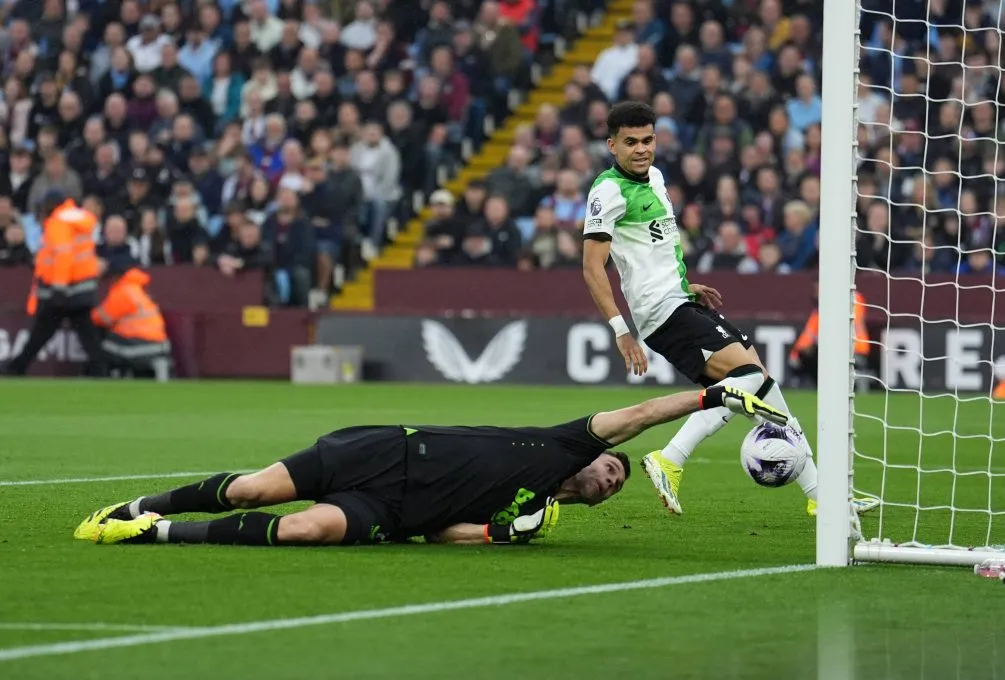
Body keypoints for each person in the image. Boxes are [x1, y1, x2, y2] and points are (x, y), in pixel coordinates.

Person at [581, 101, 878, 518]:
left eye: (647, 140)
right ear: (612, 145)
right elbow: (592, 267)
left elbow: (652, 252)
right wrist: (620, 329)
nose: (641, 149)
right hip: (660, 313)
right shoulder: (608, 192)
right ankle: (670, 458)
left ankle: (821, 496)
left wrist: (685, 285)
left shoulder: (657, 178)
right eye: (631, 142)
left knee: (763, 387)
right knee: (748, 379)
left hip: (679, 299)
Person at [74, 385, 789, 547]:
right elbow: (642, 414)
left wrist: (496, 535)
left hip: (392, 511)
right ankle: (148, 504)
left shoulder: (533, 516)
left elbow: (448, 533)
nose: (610, 478)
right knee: (255, 488)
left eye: (614, 487)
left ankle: (155, 535)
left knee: (303, 531)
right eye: (613, 469)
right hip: (388, 448)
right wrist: (711, 396)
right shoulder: (567, 442)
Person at [2, 191, 106, 376]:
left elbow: (63, 256)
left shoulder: (58, 223)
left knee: (43, 331)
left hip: (65, 289)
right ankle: (99, 369)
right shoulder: (76, 220)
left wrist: (59, 288)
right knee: (82, 332)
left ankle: (17, 367)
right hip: (80, 287)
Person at [91, 264, 172, 379]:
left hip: (139, 344)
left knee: (105, 348)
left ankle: (110, 379)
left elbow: (100, 318)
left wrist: (92, 312)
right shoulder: (138, 290)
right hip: (160, 345)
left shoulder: (123, 291)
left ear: (116, 277)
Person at [789, 284, 871, 391]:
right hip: (841, 350)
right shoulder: (820, 312)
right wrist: (795, 354)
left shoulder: (852, 300)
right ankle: (822, 386)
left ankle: (832, 385)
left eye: (818, 291)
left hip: (856, 349)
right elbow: (806, 339)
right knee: (809, 354)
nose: (816, 294)